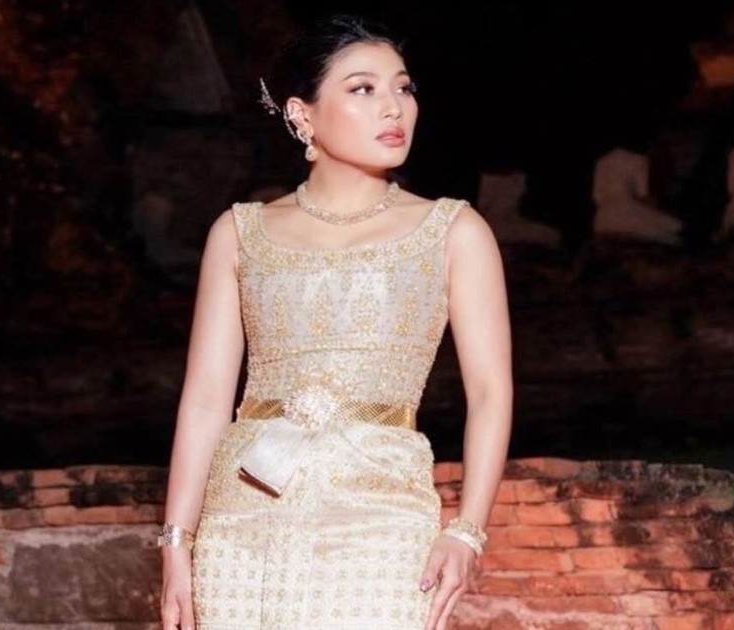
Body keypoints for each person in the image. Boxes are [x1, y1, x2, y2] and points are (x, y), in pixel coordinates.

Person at [158, 14, 512, 630]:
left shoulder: (454, 230)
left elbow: (490, 394)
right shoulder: (239, 232)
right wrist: (175, 543)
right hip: (243, 519)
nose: (393, 107)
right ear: (302, 115)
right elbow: (206, 400)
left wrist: (466, 531)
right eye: (362, 88)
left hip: (382, 518)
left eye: (403, 87)